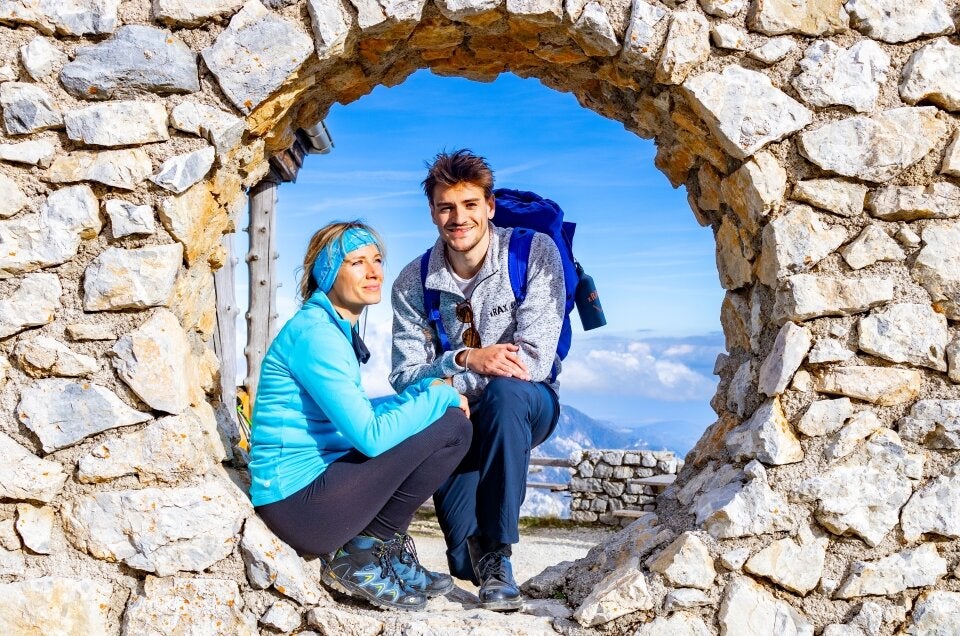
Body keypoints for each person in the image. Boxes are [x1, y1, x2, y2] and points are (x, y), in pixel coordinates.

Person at [249, 221, 473, 612]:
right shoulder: (317, 336)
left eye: (377, 260)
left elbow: (360, 415)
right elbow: (370, 436)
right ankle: (360, 555)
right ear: (328, 273)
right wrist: (441, 398)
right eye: (357, 262)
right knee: (450, 426)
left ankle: (381, 547)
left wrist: (427, 390)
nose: (374, 272)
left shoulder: (330, 329)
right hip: (298, 507)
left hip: (310, 493)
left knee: (444, 420)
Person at [390, 150, 565, 611]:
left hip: (529, 403)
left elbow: (533, 361)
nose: (458, 217)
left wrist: (453, 379)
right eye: (446, 207)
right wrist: (467, 359)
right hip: (459, 418)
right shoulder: (414, 281)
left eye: (470, 205)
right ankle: (481, 557)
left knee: (507, 392)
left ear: (489, 206)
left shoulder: (533, 254)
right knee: (463, 557)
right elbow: (406, 375)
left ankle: (500, 558)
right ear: (432, 212)